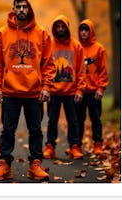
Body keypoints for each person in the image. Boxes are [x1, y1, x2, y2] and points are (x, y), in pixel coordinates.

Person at [0, 0, 55, 181]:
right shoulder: (2, 33)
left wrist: (47, 86)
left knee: (36, 130)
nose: (22, 10)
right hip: (9, 91)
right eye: (18, 6)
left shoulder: (41, 33)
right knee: (7, 130)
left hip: (35, 92)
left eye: (25, 6)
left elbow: (49, 63)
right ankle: (4, 165)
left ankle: (36, 165)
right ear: (13, 9)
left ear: (29, 8)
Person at [43, 15, 86, 160]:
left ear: (67, 28)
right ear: (55, 28)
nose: (60, 29)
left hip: (71, 92)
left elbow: (81, 70)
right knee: (52, 121)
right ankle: (50, 146)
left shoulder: (76, 46)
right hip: (53, 92)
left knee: (73, 121)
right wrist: (46, 87)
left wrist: (80, 89)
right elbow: (45, 67)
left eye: (62, 27)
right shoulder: (50, 45)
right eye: (58, 27)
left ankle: (74, 146)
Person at [77, 19, 109, 155]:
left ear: (91, 31)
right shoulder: (76, 47)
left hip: (94, 92)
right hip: (79, 91)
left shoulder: (99, 48)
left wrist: (101, 88)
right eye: (82, 30)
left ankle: (98, 145)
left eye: (86, 30)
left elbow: (103, 70)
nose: (84, 32)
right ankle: (76, 145)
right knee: (78, 120)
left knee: (96, 119)